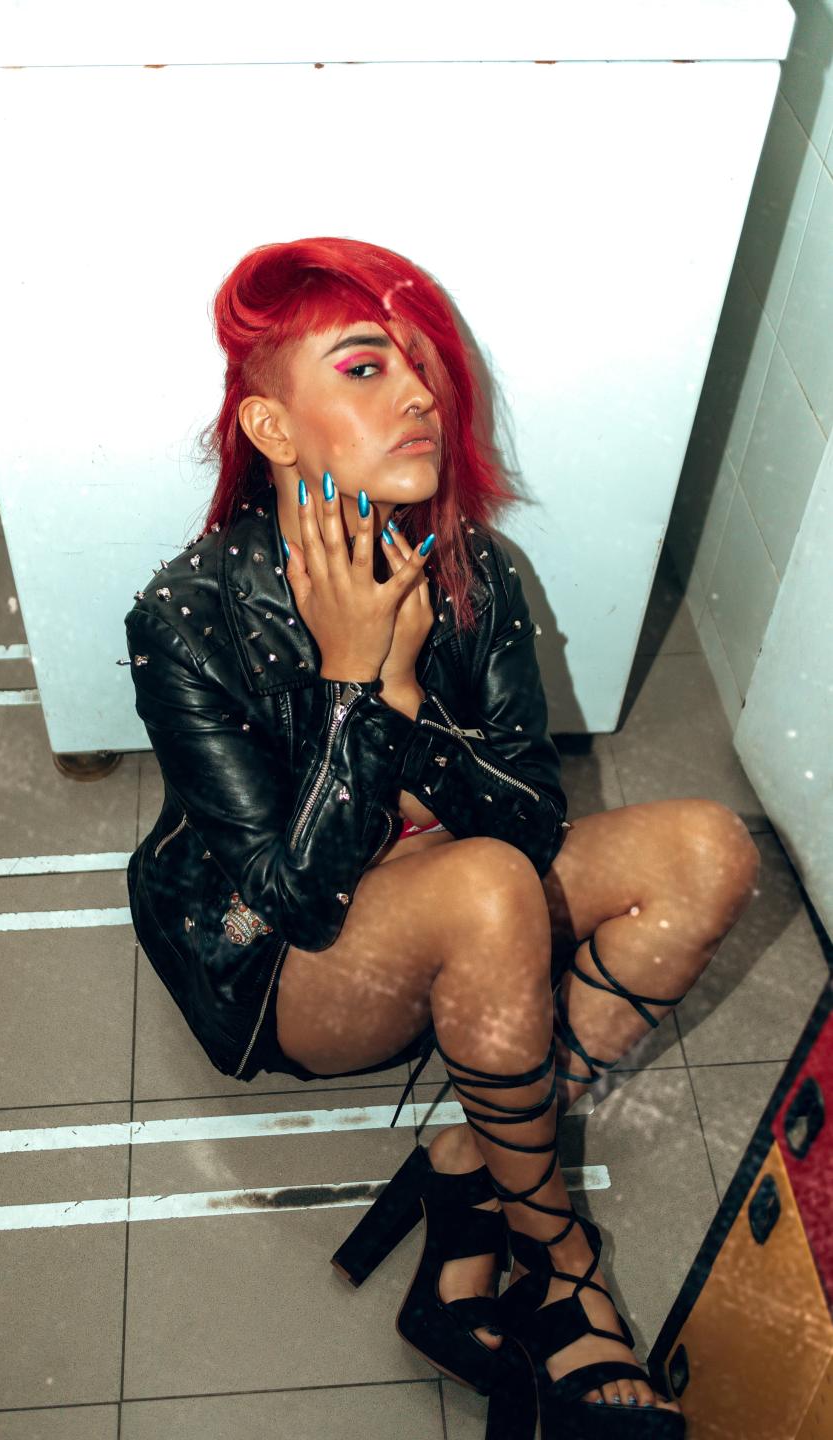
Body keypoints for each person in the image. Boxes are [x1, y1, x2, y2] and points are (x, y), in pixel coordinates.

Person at [124, 237, 760, 1438]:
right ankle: (560, 1264)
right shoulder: (187, 614)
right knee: (484, 890)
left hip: (454, 894)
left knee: (705, 852)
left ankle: (469, 1158)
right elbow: (291, 897)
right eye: (365, 367)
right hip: (282, 966)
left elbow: (529, 815)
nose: (418, 393)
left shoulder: (473, 571)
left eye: (421, 365)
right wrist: (356, 682)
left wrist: (400, 695)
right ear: (270, 428)